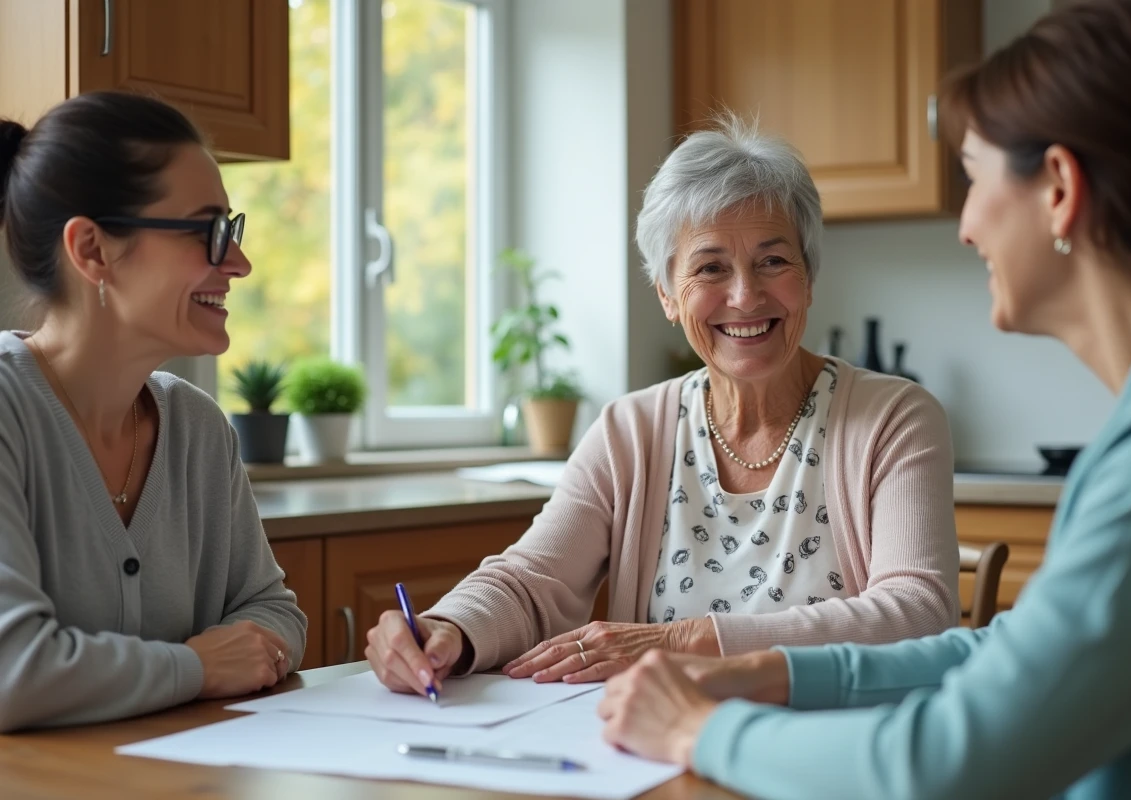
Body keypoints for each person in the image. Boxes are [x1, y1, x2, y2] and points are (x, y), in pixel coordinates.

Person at [596, 1, 1131, 797]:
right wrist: (773, 674)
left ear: (1058, 188)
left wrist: (697, 729)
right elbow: (1007, 652)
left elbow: (943, 763)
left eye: (975, 177)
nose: (967, 225)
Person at [367, 115, 960, 697]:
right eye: (710, 268)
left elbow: (917, 613)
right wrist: (449, 629)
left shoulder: (894, 419)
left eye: (773, 261)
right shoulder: (632, 431)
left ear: (809, 278)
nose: (745, 295)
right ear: (668, 295)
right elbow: (531, 579)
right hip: (659, 750)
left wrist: (682, 641)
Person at [0, 92, 307, 733]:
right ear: (92, 250)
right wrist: (195, 667)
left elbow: (273, 612)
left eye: (234, 229)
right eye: (207, 231)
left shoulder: (199, 429)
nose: (239, 263)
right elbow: (13, 670)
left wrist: (235, 651)